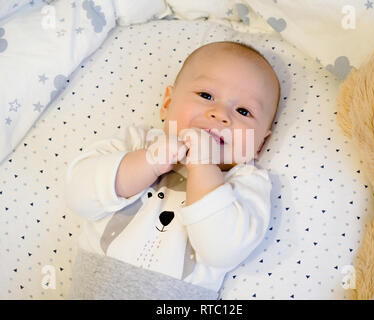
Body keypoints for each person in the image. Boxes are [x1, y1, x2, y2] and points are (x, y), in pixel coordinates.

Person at [65, 41, 280, 299]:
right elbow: (78, 196)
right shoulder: (137, 144)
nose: (219, 114)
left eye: (243, 111)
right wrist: (149, 162)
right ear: (167, 103)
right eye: (206, 96)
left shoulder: (245, 184)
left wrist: (203, 164)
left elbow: (222, 251)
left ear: (261, 144)